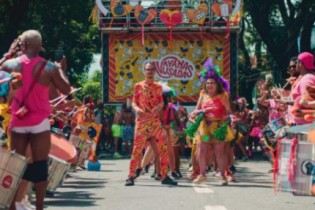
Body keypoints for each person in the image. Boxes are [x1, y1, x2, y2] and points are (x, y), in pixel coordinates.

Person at [0, 30, 71, 210]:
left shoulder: (15, 66)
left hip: (20, 120)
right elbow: (66, 89)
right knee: (31, 164)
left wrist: (8, 53)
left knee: (22, 163)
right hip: (26, 121)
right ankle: (28, 203)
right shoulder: (40, 68)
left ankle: (16, 203)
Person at [125, 61, 177, 186]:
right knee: (137, 150)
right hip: (142, 123)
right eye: (148, 69)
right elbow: (133, 103)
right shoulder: (138, 86)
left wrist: (159, 107)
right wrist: (137, 109)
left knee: (163, 148)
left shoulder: (158, 87)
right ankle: (131, 176)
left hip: (155, 123)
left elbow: (161, 102)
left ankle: (164, 176)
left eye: (152, 69)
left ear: (155, 72)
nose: (150, 71)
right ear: (144, 71)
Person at [187, 58, 232, 185]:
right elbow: (197, 109)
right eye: (207, 83)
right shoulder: (203, 95)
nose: (209, 85)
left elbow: (229, 111)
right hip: (204, 127)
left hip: (218, 127)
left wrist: (230, 118)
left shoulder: (223, 96)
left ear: (217, 84)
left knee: (219, 152)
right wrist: (195, 113)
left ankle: (223, 176)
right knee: (201, 150)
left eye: (212, 83)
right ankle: (202, 175)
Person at [288, 52, 315, 125]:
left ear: (301, 64)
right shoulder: (306, 77)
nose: (295, 65)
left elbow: (305, 101)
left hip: (306, 124)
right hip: (304, 122)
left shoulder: (307, 79)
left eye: (296, 62)